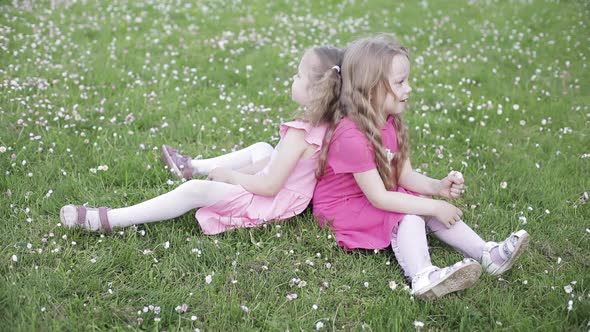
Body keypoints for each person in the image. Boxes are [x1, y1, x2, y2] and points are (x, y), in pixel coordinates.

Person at [311, 35, 529, 300]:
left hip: (371, 195)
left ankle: (487, 253)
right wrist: (434, 207)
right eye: (400, 82)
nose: (409, 88)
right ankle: (422, 276)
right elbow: (379, 198)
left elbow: (405, 175)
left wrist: (437, 187)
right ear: (371, 89)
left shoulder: (389, 121)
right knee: (408, 213)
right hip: (342, 208)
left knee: (416, 201)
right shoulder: (351, 135)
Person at [60, 46, 343, 235]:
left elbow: (269, 186)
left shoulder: (299, 134)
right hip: (284, 192)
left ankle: (110, 219)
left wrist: (232, 176)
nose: (292, 79)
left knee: (194, 191)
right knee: (262, 149)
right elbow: (278, 165)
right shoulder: (324, 124)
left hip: (269, 201)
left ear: (316, 90)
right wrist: (237, 174)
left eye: (298, 75)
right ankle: (192, 165)